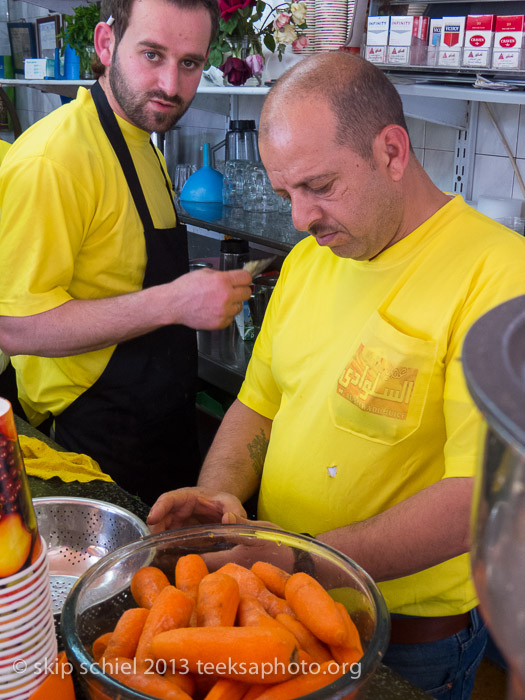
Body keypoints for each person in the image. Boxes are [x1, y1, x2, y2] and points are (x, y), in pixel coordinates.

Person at [147, 52, 525, 698]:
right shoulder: (308, 262)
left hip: (407, 647)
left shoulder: (499, 275)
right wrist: (219, 506)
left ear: (391, 152)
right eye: (284, 193)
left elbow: (477, 499)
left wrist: (301, 558)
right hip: (276, 609)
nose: (299, 218)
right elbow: (254, 408)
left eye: (319, 187)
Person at [0, 0, 252, 504]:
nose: (171, 86)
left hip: (156, 423)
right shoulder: (55, 160)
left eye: (190, 63)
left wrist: (193, 286)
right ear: (105, 44)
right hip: (86, 436)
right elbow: (12, 324)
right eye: (152, 55)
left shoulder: (142, 137)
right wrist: (175, 302)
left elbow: (120, 265)